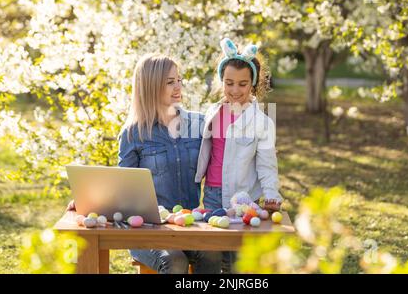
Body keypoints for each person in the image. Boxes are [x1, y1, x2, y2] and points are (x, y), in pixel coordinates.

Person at [68, 53, 222, 274]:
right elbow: (123, 187)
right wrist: (90, 201)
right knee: (174, 260)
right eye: (170, 82)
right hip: (147, 230)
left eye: (179, 79)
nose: (178, 86)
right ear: (151, 86)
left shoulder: (199, 124)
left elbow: (222, 165)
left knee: (212, 253)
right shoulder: (133, 133)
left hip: (189, 225)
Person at [195, 38, 283, 273]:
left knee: (237, 263)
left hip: (244, 199)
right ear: (221, 81)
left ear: (252, 84)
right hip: (213, 195)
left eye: (242, 84)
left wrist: (272, 195)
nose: (235, 90)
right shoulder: (212, 112)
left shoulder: (262, 123)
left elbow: (266, 166)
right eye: (229, 82)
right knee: (210, 257)